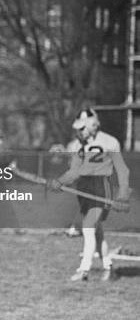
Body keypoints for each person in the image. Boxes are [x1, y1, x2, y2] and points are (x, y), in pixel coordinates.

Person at [46, 108, 131, 282]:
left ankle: (84, 270)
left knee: (88, 226)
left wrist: (123, 193)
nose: (79, 131)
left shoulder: (110, 142)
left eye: (83, 128)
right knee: (96, 231)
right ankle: (108, 267)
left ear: (94, 125)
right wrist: (60, 181)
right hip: (84, 189)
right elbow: (74, 172)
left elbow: (122, 170)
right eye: (78, 128)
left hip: (101, 187)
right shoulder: (77, 145)